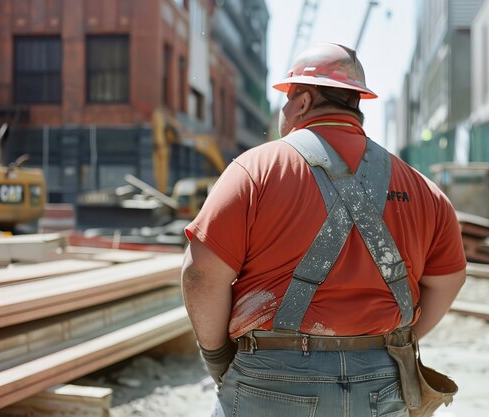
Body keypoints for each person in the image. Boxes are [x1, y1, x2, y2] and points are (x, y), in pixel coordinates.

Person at [182, 42, 466, 417]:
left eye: (287, 101)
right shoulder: (423, 189)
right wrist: (384, 343)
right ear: (356, 103)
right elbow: (449, 281)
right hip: (381, 386)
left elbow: (201, 275)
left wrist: (218, 357)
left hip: (273, 381)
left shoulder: (256, 171)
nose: (284, 110)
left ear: (302, 102)